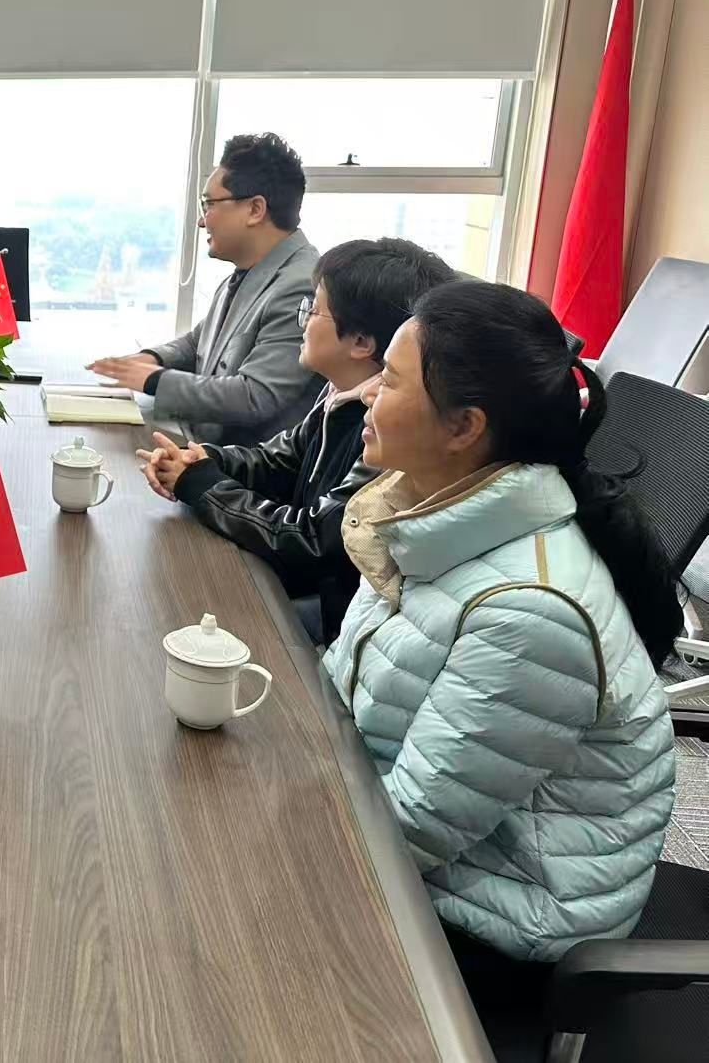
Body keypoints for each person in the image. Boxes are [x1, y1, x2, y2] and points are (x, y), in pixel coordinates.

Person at [322, 280, 677, 967]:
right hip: (425, 851)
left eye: (389, 381)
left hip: (504, 919)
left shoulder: (528, 611)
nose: (367, 395)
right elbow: (345, 688)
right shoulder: (430, 516)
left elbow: (411, 833)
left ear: (463, 428)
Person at [143, 238, 456, 640]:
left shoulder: (387, 430)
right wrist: (202, 459)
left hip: (334, 619)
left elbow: (313, 543)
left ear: (361, 342)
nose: (303, 321)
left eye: (314, 309)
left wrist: (202, 485)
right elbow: (281, 461)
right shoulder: (339, 392)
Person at [89, 132, 321, 445]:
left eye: (209, 204)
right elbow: (199, 341)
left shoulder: (301, 286)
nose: (201, 221)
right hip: (202, 445)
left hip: (241, 464)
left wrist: (155, 381)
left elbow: (256, 395)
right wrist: (152, 359)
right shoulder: (248, 270)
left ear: (255, 209)